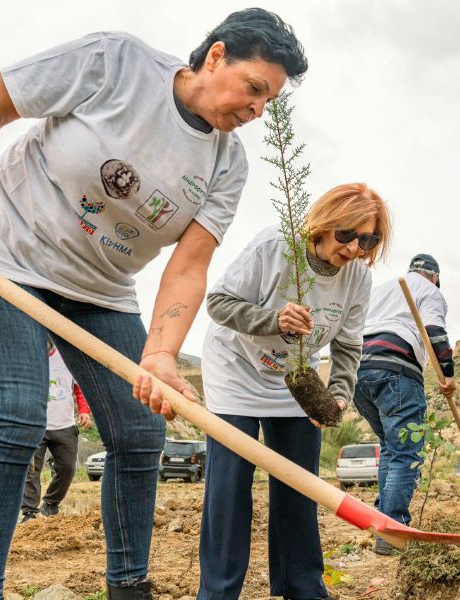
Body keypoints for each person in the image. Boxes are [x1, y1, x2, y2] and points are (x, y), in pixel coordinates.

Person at [0, 9, 307, 598]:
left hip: (102, 290)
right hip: (9, 254)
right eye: (254, 89)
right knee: (15, 414)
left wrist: (161, 355)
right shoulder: (116, 62)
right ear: (215, 56)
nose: (257, 110)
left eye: (268, 102)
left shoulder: (227, 162)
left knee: (139, 430)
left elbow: (188, 266)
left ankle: (128, 586)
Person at [187, 183, 389, 599]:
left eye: (368, 239)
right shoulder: (275, 245)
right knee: (230, 488)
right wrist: (271, 320)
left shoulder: (357, 280)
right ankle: (219, 592)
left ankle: (302, 587)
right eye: (347, 234)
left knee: (299, 485)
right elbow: (219, 303)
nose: (354, 248)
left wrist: (337, 393)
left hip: (293, 379)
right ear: (325, 223)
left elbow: (348, 345)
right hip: (236, 370)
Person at [352, 254, 455, 555]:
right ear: (434, 276)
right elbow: (435, 331)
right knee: (406, 451)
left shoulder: (381, 289)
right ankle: (392, 532)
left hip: (358, 369)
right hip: (395, 369)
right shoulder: (431, 292)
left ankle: (381, 520)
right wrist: (447, 375)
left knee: (389, 446)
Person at [20, 342, 94, 524]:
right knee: (31, 471)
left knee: (68, 468)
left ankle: (51, 503)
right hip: (35, 425)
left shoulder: (66, 357)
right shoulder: (27, 358)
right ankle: (29, 512)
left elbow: (80, 388)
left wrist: (84, 411)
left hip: (64, 425)